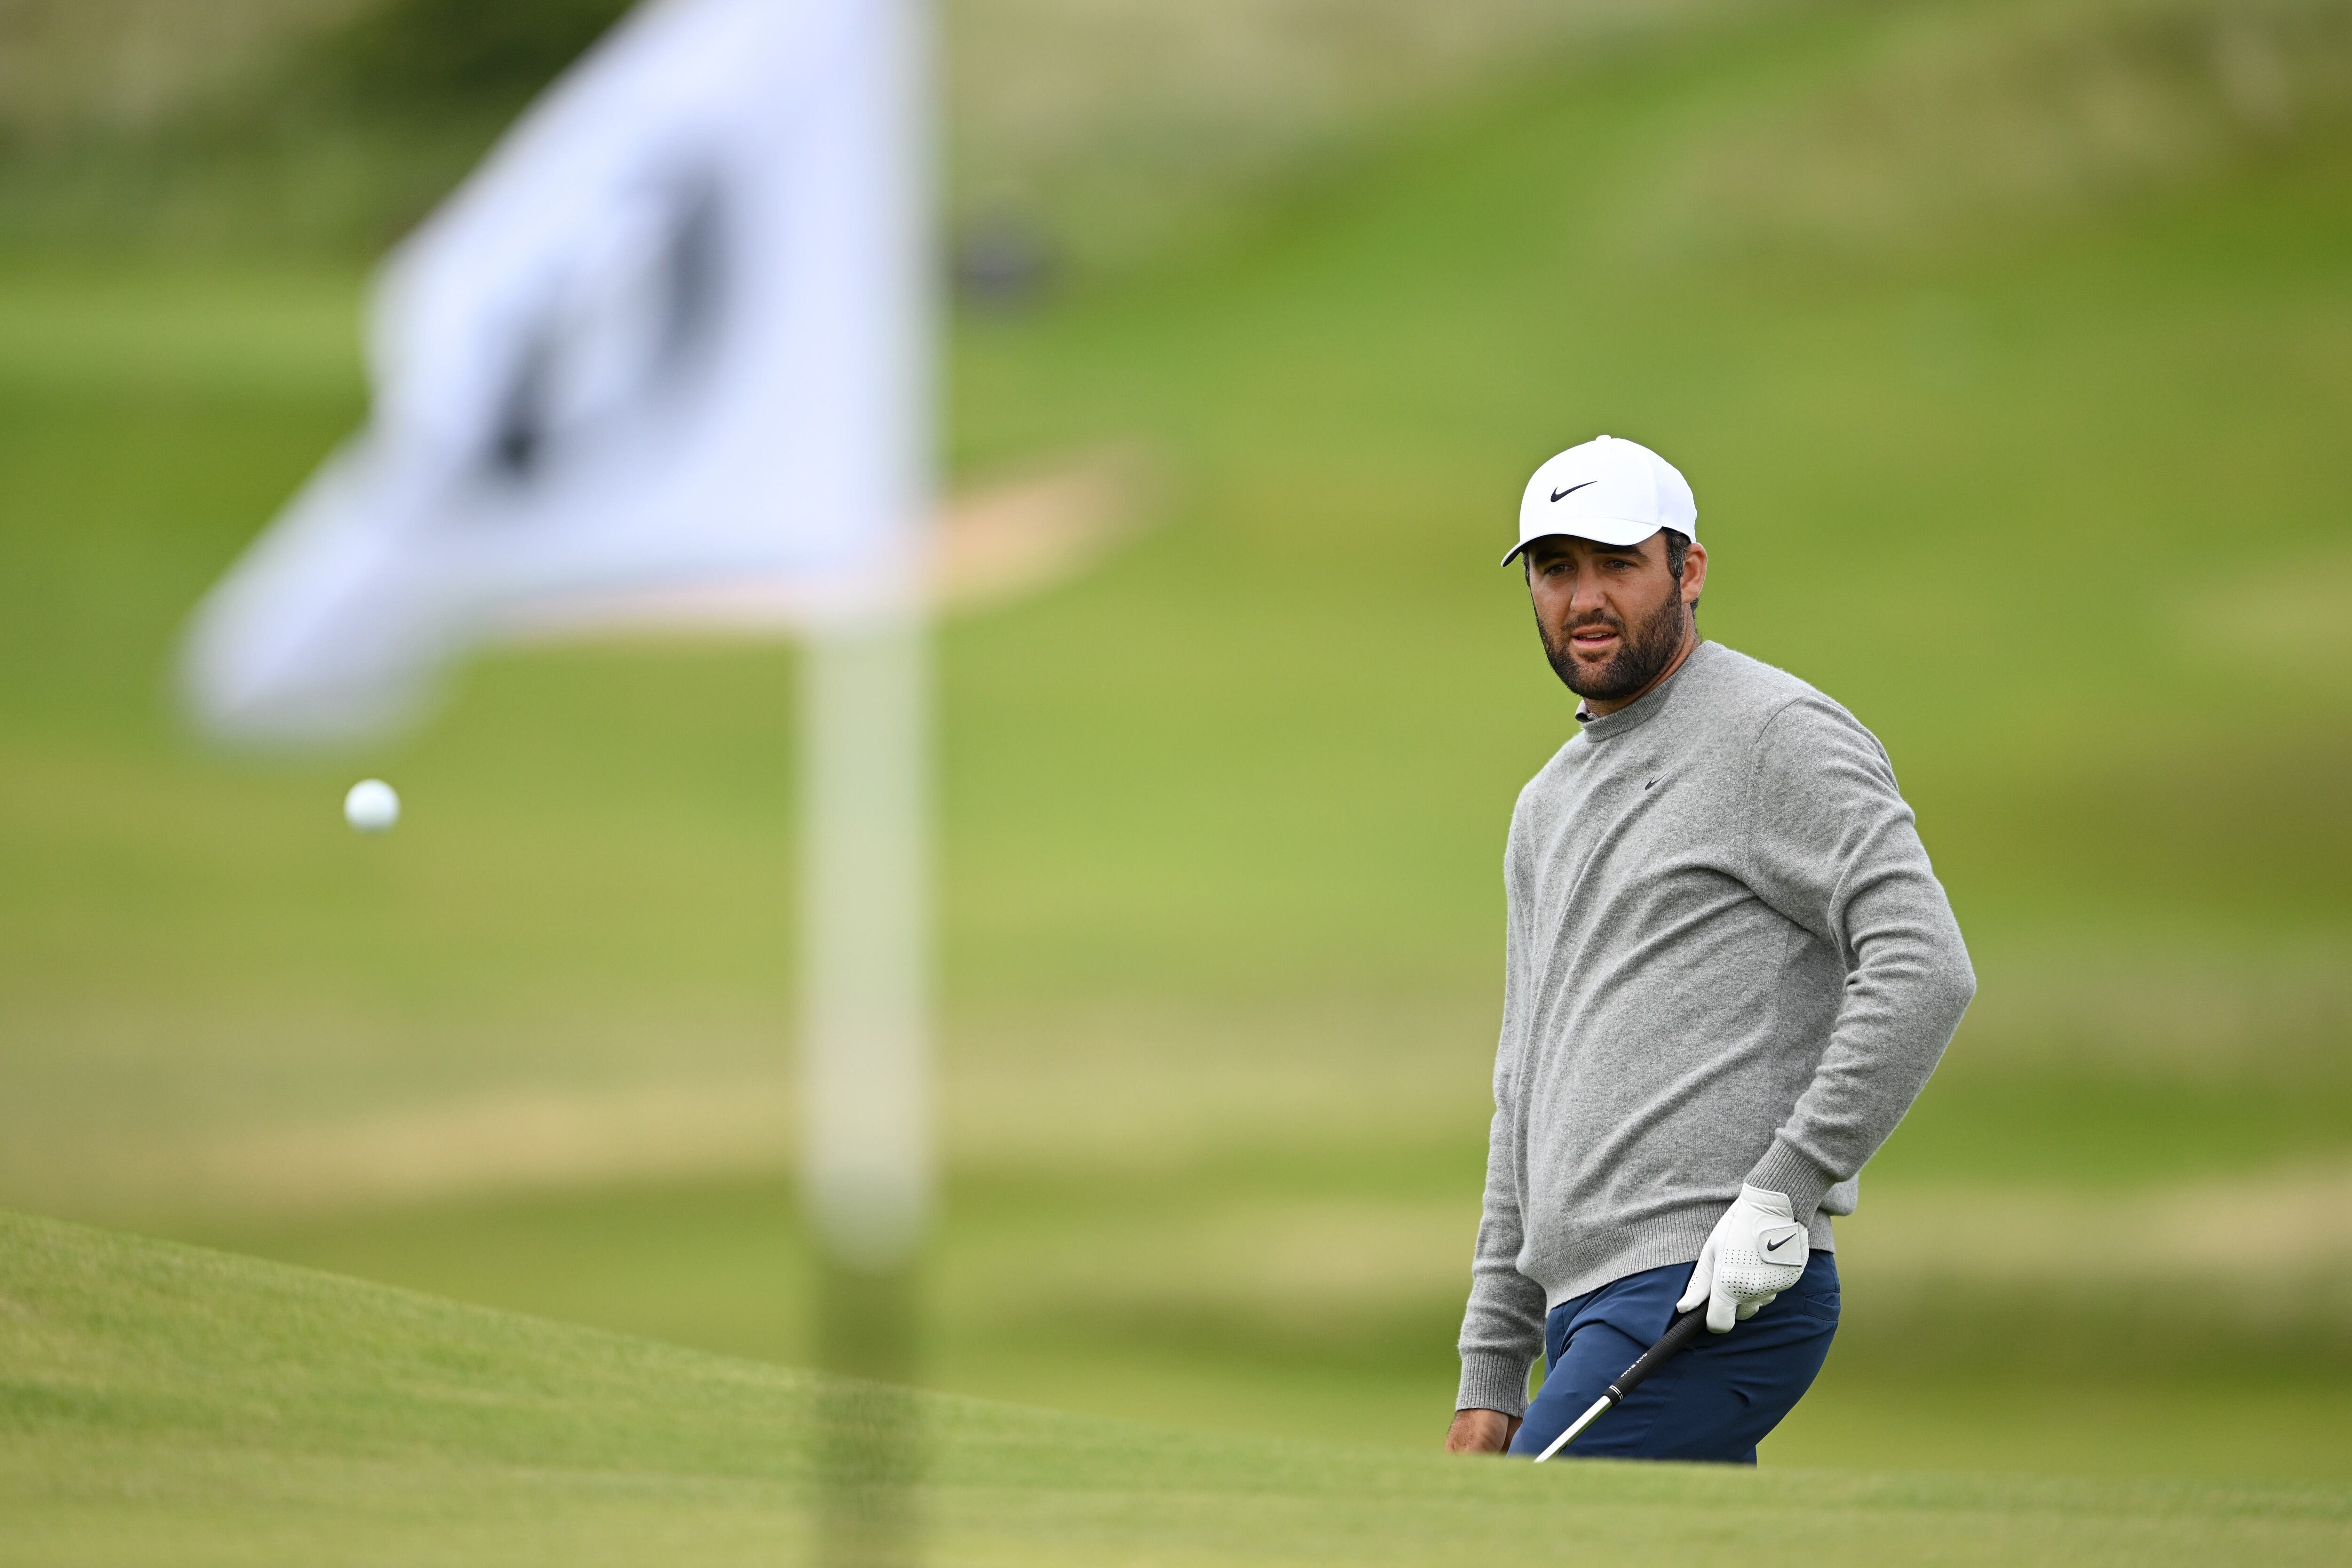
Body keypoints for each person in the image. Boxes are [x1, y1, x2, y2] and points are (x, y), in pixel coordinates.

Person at [1443, 435, 1975, 1464]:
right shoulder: (1546, 802)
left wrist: (1785, 1188)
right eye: (1556, 568)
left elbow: (1923, 964)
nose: (1583, 597)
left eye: (1617, 563)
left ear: (1687, 570)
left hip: (1710, 1285)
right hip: (1584, 1309)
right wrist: (1491, 1372)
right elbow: (1526, 1087)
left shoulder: (1774, 733)